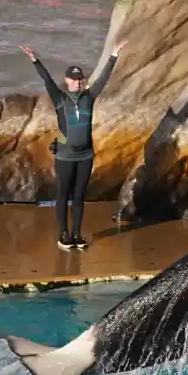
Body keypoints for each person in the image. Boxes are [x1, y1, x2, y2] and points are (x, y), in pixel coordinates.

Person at [19, 40, 127, 249]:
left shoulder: (89, 98)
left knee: (79, 196)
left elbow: (103, 79)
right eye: (74, 79)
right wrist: (35, 60)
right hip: (65, 157)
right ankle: (63, 235)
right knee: (64, 194)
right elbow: (47, 81)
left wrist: (114, 55)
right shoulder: (60, 99)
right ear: (67, 80)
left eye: (81, 79)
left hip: (86, 156)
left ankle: (76, 235)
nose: (78, 82)